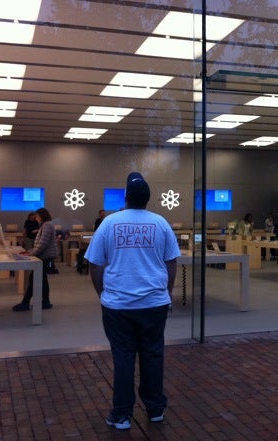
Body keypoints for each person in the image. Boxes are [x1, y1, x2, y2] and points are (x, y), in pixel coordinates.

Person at [84, 172, 180, 430]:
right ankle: (155, 408)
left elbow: (95, 263)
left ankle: (122, 414)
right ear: (148, 199)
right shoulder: (161, 223)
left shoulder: (109, 223)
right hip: (154, 303)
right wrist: (166, 292)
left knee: (123, 358)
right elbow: (171, 262)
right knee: (153, 354)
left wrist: (102, 293)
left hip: (118, 306)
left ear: (126, 197)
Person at [13, 207, 56, 311]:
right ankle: (45, 302)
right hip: (44, 256)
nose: (36, 218)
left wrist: (30, 253)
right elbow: (39, 245)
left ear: (41, 216)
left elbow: (42, 244)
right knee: (42, 280)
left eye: (37, 216)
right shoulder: (45, 226)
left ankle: (25, 303)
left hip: (45, 257)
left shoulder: (46, 226)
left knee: (34, 279)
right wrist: (29, 251)